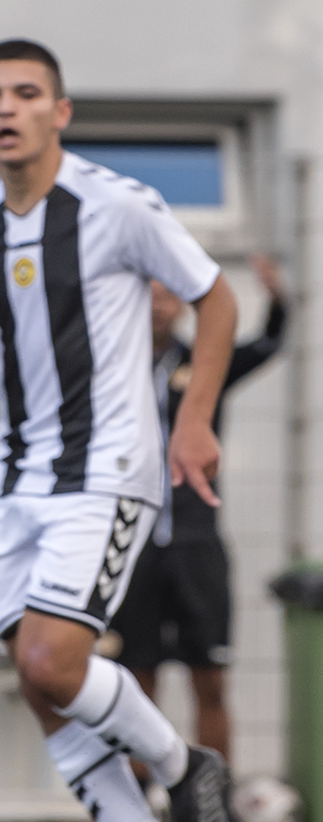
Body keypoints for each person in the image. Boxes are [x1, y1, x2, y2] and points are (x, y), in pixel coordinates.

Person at [0, 39, 237, 822]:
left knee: (55, 660)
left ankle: (187, 769)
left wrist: (198, 417)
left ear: (61, 112)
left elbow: (217, 298)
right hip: (17, 479)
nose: (7, 109)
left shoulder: (116, 205)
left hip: (109, 468)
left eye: (27, 93)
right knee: (37, 679)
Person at [107, 255, 287, 763]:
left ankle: (215, 797)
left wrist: (277, 303)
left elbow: (265, 346)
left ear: (183, 306)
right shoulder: (112, 370)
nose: (158, 307)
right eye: (150, 297)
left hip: (196, 541)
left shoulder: (204, 369)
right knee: (135, 675)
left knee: (209, 676)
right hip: (134, 544)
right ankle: (141, 799)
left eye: (168, 296)